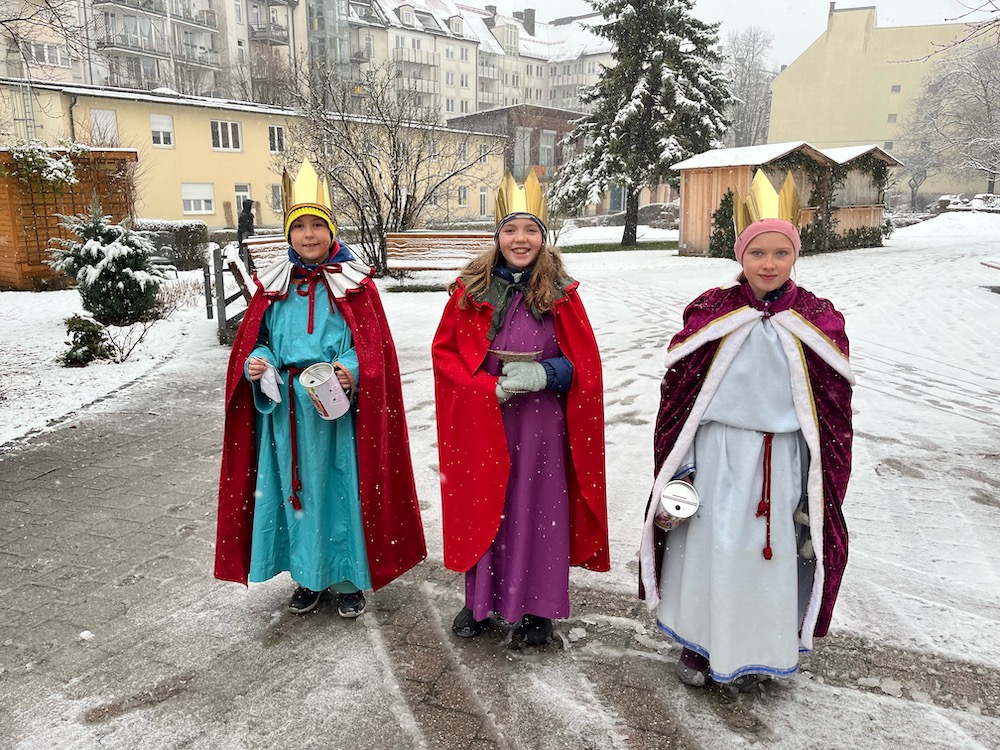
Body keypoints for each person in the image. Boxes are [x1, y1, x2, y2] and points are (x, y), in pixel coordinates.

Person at [638, 171, 854, 691]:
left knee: (768, 555)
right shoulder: (713, 311)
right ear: (741, 255)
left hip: (781, 460)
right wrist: (684, 458)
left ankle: (760, 646)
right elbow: (681, 392)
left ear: (795, 255)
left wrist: (816, 470)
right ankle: (698, 641)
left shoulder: (818, 319)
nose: (769, 264)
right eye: (758, 253)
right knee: (709, 546)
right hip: (717, 453)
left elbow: (832, 406)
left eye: (781, 253)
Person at [215, 160, 426, 616]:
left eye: (317, 226)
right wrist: (258, 362)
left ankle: (347, 576)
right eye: (299, 226)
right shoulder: (274, 287)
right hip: (287, 416)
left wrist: (350, 368)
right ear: (288, 234)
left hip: (336, 415)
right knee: (295, 493)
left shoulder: (356, 286)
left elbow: (371, 347)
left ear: (331, 231)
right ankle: (307, 575)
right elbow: (261, 340)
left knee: (339, 490)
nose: (308, 235)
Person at [432, 170, 610, 647]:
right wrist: (483, 388)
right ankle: (480, 601)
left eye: (530, 229)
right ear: (497, 237)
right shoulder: (470, 292)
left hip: (541, 426)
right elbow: (445, 356)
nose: (520, 238)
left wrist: (546, 374)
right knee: (485, 506)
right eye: (510, 229)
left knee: (537, 509)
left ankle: (538, 608)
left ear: (543, 238)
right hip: (485, 420)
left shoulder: (562, 294)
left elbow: (585, 366)